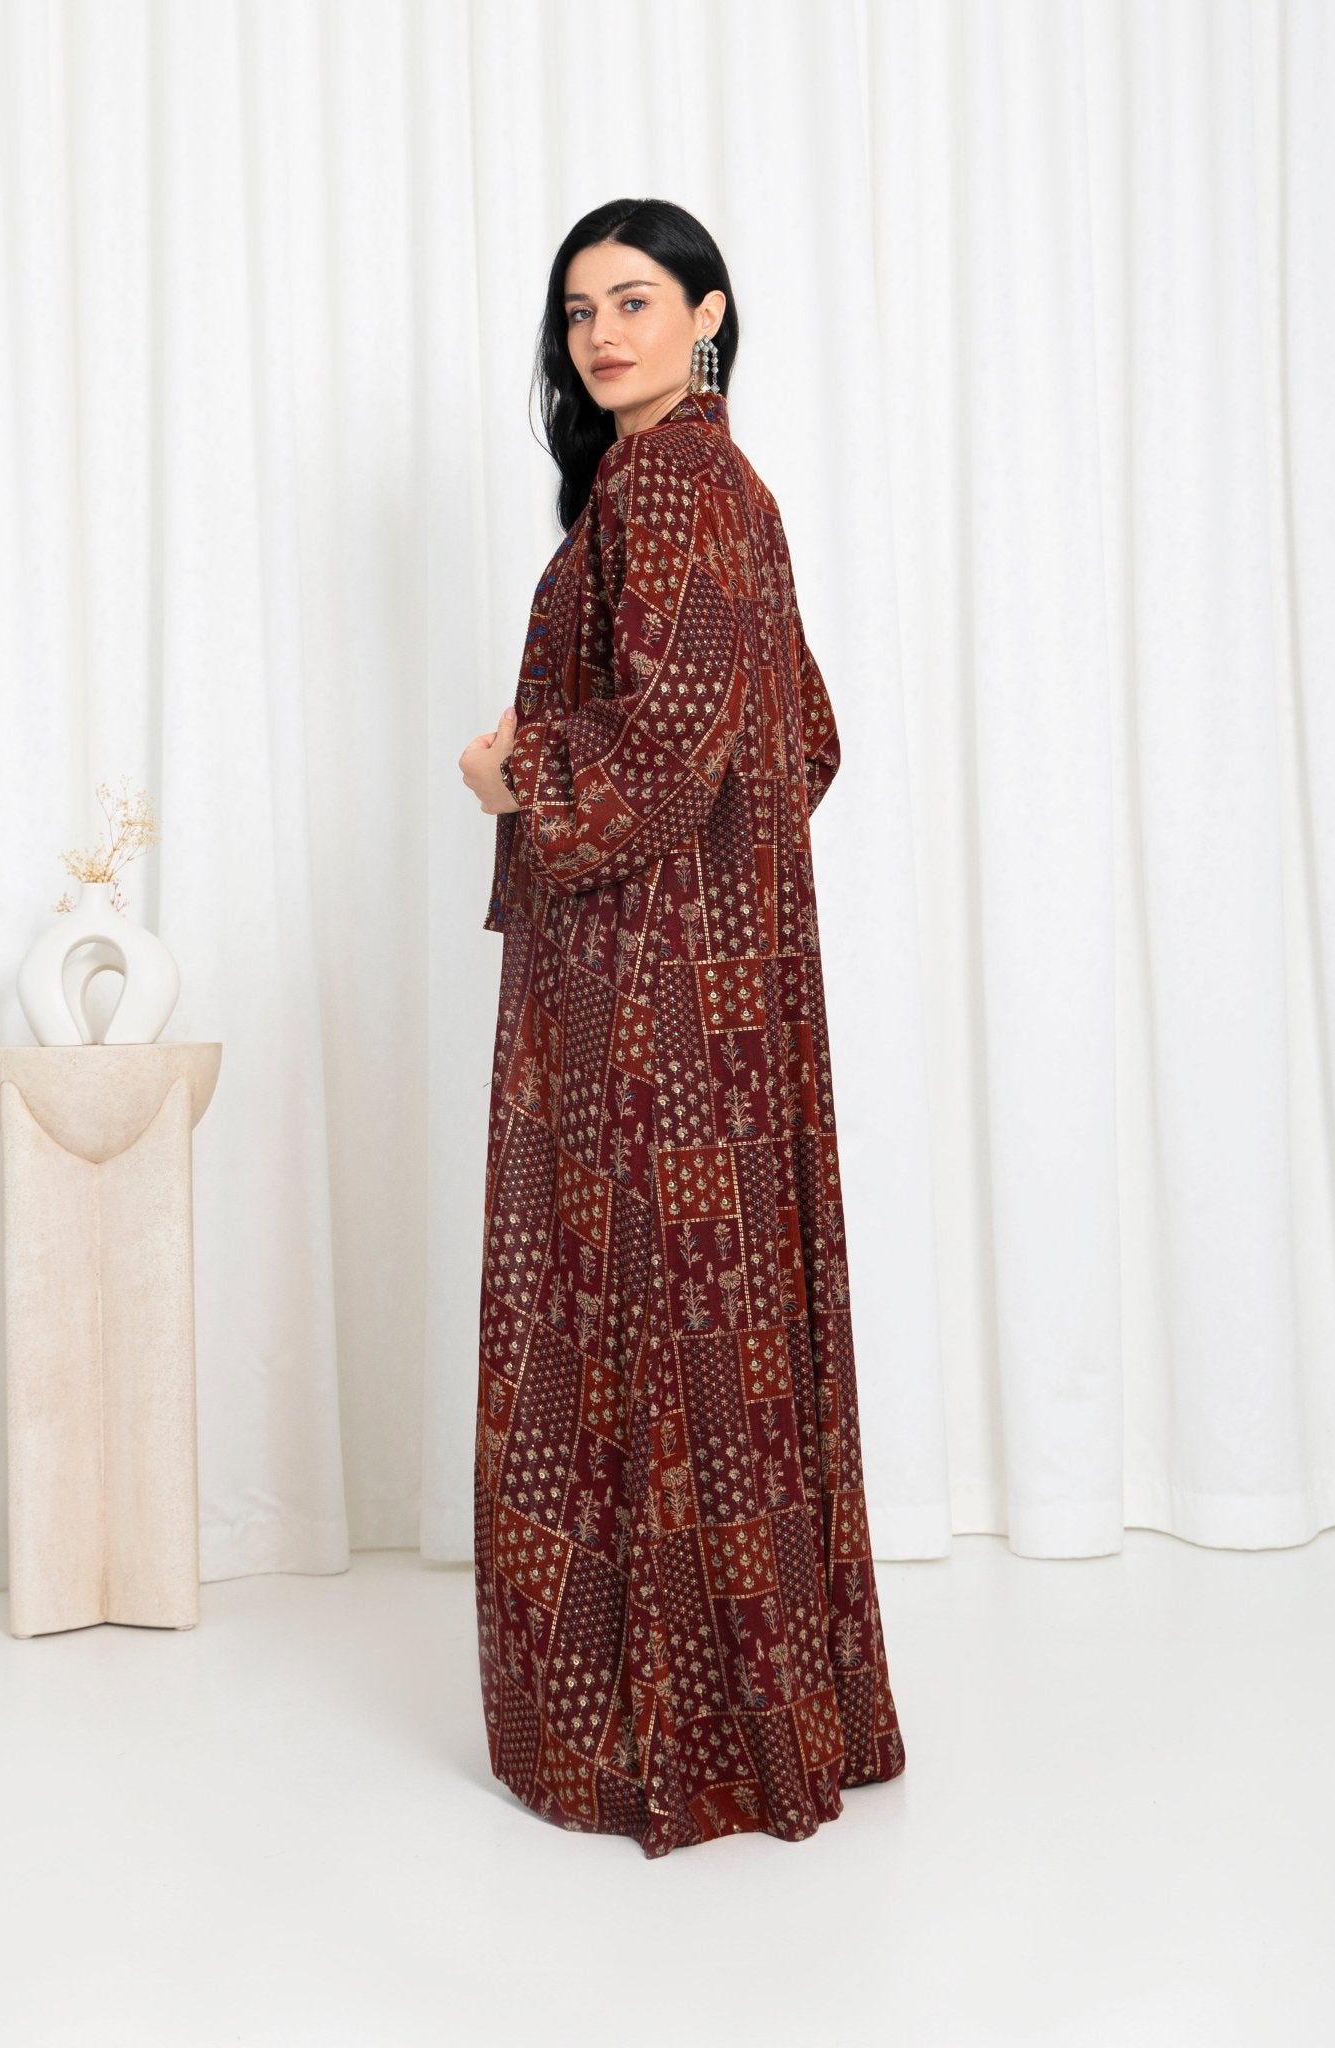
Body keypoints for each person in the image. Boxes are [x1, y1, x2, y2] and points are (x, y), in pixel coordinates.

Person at [458, 197, 906, 1857]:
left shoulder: (671, 487)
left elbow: (666, 747)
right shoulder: (716, 488)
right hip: (716, 982)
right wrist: (723, 875)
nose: (600, 334)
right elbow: (803, 735)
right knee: (707, 1316)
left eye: (634, 301)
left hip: (642, 994)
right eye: (578, 311)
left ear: (709, 314)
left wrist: (519, 772)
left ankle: (667, 1743)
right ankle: (764, 1713)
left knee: (634, 1309)